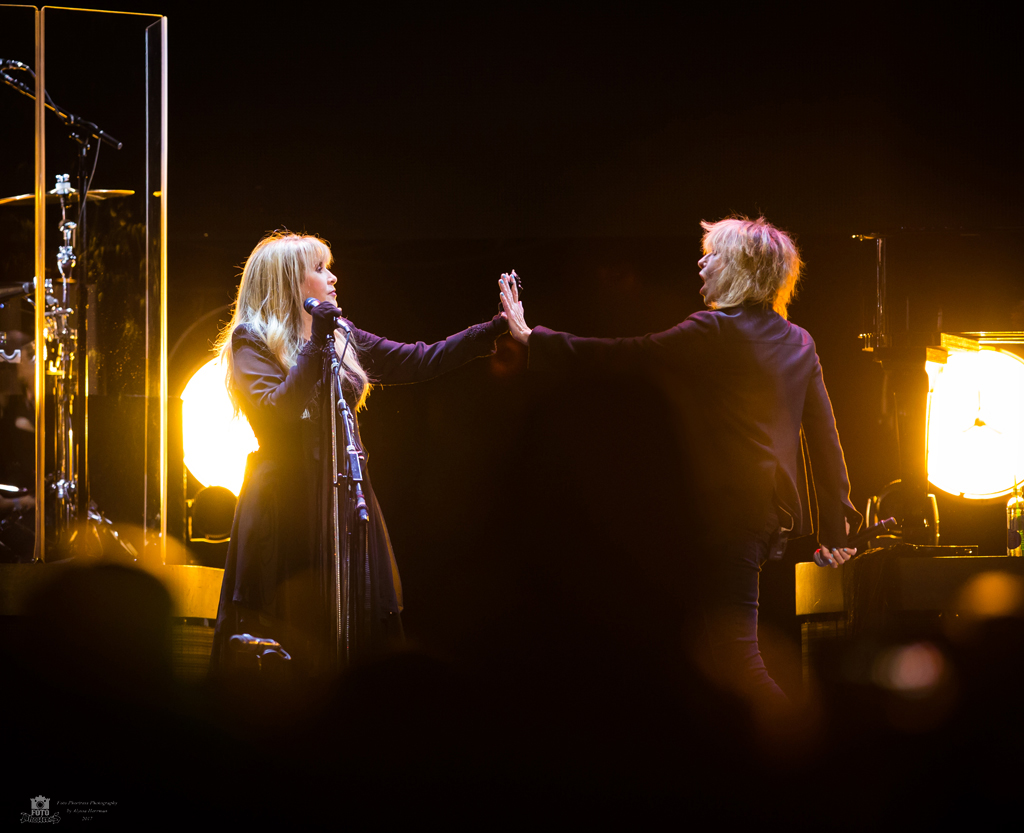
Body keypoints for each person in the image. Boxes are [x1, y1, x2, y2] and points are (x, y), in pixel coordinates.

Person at [498, 216, 861, 703]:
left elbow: (624, 356)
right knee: (717, 651)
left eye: (712, 255)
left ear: (739, 268)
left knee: (736, 655)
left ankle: (797, 738)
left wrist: (532, 338)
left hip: (721, 514)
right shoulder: (799, 341)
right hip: (763, 516)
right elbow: (825, 441)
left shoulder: (712, 330)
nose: (701, 261)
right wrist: (833, 534)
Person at [210, 231, 507, 674]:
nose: (332, 278)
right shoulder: (249, 341)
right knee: (288, 632)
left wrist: (493, 328)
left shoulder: (339, 335)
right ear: (290, 281)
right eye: (319, 269)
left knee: (350, 631)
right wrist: (316, 342)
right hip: (284, 507)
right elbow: (278, 410)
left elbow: (418, 359)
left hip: (343, 497)